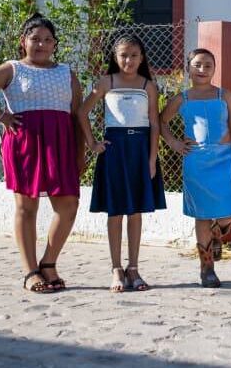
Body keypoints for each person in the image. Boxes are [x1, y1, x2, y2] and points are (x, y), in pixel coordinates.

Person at [0, 13, 83, 293]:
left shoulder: (67, 73)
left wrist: (79, 153)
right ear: (23, 42)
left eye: (47, 40)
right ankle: (30, 272)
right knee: (26, 208)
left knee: (68, 207)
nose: (41, 44)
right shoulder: (12, 69)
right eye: (35, 39)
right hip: (24, 143)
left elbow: (76, 116)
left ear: (55, 45)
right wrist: (1, 116)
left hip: (60, 145)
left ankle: (49, 263)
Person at [78, 34, 166, 292]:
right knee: (115, 211)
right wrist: (93, 144)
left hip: (140, 149)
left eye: (134, 55)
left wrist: (152, 159)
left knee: (136, 211)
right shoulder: (107, 82)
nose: (129, 60)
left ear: (142, 58)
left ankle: (134, 268)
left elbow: (154, 123)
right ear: (115, 57)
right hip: (114, 150)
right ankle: (116, 268)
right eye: (124, 55)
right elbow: (82, 112)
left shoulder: (148, 85)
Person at [160, 48, 231, 288]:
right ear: (189, 67)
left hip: (223, 160)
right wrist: (175, 143)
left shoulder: (224, 96)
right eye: (197, 64)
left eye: (208, 65)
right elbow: (161, 121)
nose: (202, 69)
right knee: (202, 215)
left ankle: (218, 232)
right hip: (196, 162)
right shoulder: (182, 98)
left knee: (229, 211)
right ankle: (207, 268)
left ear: (214, 69)